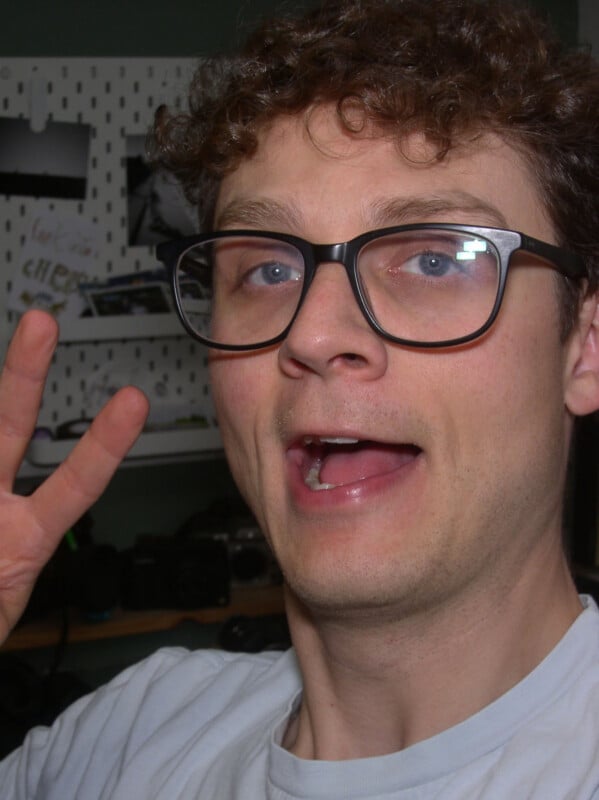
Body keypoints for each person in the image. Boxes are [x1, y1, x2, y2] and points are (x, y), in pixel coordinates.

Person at [1, 0, 599, 796]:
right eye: (267, 270)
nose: (311, 334)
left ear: (584, 349)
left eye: (433, 259)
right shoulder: (120, 738)